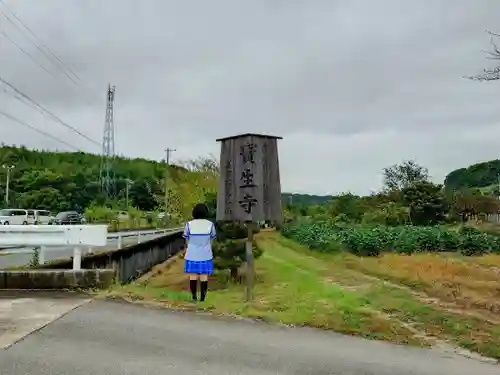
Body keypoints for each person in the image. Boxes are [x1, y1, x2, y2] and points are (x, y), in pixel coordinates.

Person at [183, 203, 216, 301]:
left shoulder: (189, 224)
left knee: (193, 276)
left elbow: (186, 239)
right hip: (206, 254)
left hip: (192, 254)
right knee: (204, 276)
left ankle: (193, 297)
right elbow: (212, 239)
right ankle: (202, 298)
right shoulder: (210, 225)